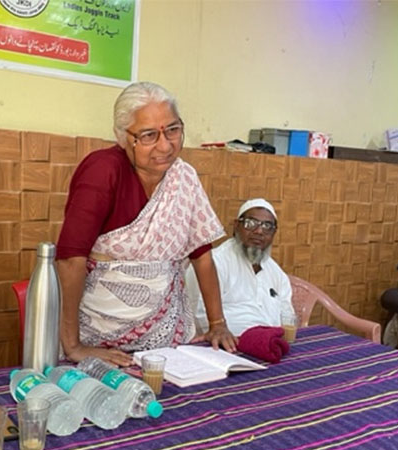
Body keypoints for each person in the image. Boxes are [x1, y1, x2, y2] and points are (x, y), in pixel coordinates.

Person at [55, 81, 237, 366]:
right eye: (149, 135)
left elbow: (201, 254)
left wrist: (217, 323)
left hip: (168, 339)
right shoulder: (102, 170)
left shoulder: (184, 177)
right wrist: (74, 346)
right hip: (97, 337)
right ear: (123, 137)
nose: (165, 145)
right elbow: (70, 259)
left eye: (173, 130)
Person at [187, 198, 295, 336]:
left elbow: (287, 315)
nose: (259, 231)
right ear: (237, 226)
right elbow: (198, 314)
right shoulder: (214, 264)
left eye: (267, 226)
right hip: (227, 343)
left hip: (272, 342)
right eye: (251, 223)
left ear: (274, 233)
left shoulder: (276, 273)